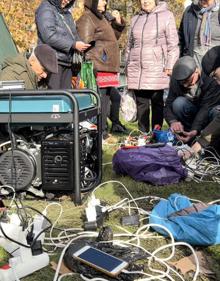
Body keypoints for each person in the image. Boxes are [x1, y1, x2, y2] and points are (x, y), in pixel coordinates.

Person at [125, 0, 179, 133]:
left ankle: (156, 135)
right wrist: (128, 65)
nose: (145, 1)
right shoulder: (135, 19)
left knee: (157, 104)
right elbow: (129, 46)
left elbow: (173, 44)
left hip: (158, 68)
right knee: (141, 104)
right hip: (138, 69)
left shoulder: (167, 16)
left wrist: (170, 65)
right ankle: (143, 135)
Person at [76, 0, 125, 138]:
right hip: (98, 65)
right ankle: (100, 132)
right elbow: (83, 43)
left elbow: (112, 39)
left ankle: (106, 128)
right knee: (102, 99)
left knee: (110, 97)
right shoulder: (88, 18)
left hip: (107, 65)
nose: (105, 2)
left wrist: (116, 23)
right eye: (102, 0)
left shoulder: (100, 18)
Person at [164, 47, 220, 144]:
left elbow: (205, 108)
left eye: (188, 81)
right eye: (182, 82)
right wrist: (173, 121)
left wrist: (195, 129)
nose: (185, 85)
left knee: (216, 111)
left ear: (196, 71)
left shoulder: (211, 80)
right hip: (191, 112)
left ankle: (207, 140)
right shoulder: (176, 80)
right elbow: (168, 104)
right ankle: (186, 136)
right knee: (178, 103)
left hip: (207, 113)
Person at [35, 0, 91, 89]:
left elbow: (74, 35)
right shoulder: (46, 8)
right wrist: (73, 45)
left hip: (67, 62)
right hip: (52, 62)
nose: (67, 1)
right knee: (54, 97)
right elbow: (49, 35)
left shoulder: (67, 13)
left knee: (65, 98)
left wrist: (82, 46)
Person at [179, 0, 220, 68]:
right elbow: (181, 39)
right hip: (193, 68)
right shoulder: (189, 11)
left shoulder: (218, 13)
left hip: (216, 70)